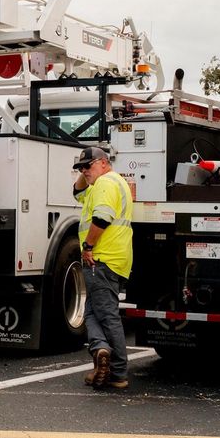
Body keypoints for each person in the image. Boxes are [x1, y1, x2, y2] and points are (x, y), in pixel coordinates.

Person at [72, 145, 133, 391]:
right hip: (112, 259)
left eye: (89, 166)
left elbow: (102, 218)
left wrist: (88, 246)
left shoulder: (105, 183)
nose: (85, 171)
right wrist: (83, 169)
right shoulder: (106, 183)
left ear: (104, 162)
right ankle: (101, 351)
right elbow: (77, 192)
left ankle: (117, 372)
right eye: (81, 168)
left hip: (100, 258)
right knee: (91, 312)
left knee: (106, 315)